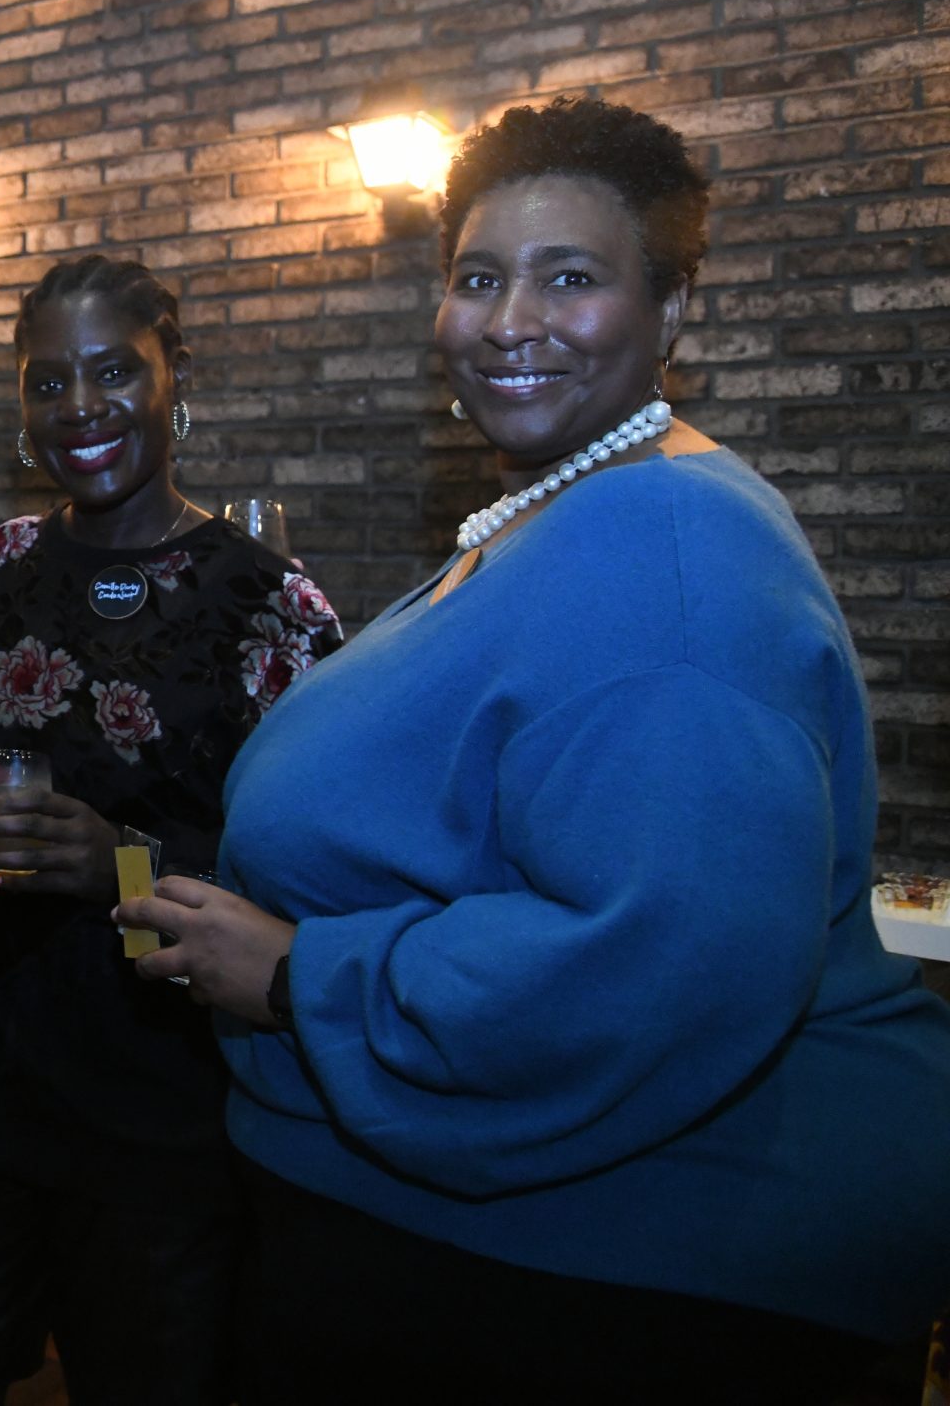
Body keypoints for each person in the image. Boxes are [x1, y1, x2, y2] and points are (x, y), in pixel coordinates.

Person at [117, 95, 950, 1401]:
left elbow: (661, 959)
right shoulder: (559, 510)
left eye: (571, 278)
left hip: (630, 1269)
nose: (510, 319)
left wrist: (300, 977)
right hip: (503, 1245)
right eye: (477, 277)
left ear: (671, 311)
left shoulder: (666, 545)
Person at [0, 254, 339, 1406]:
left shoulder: (266, 603)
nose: (80, 405)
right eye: (48, 382)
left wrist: (115, 865)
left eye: (114, 371)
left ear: (176, 375)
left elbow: (306, 884)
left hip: (154, 1116)